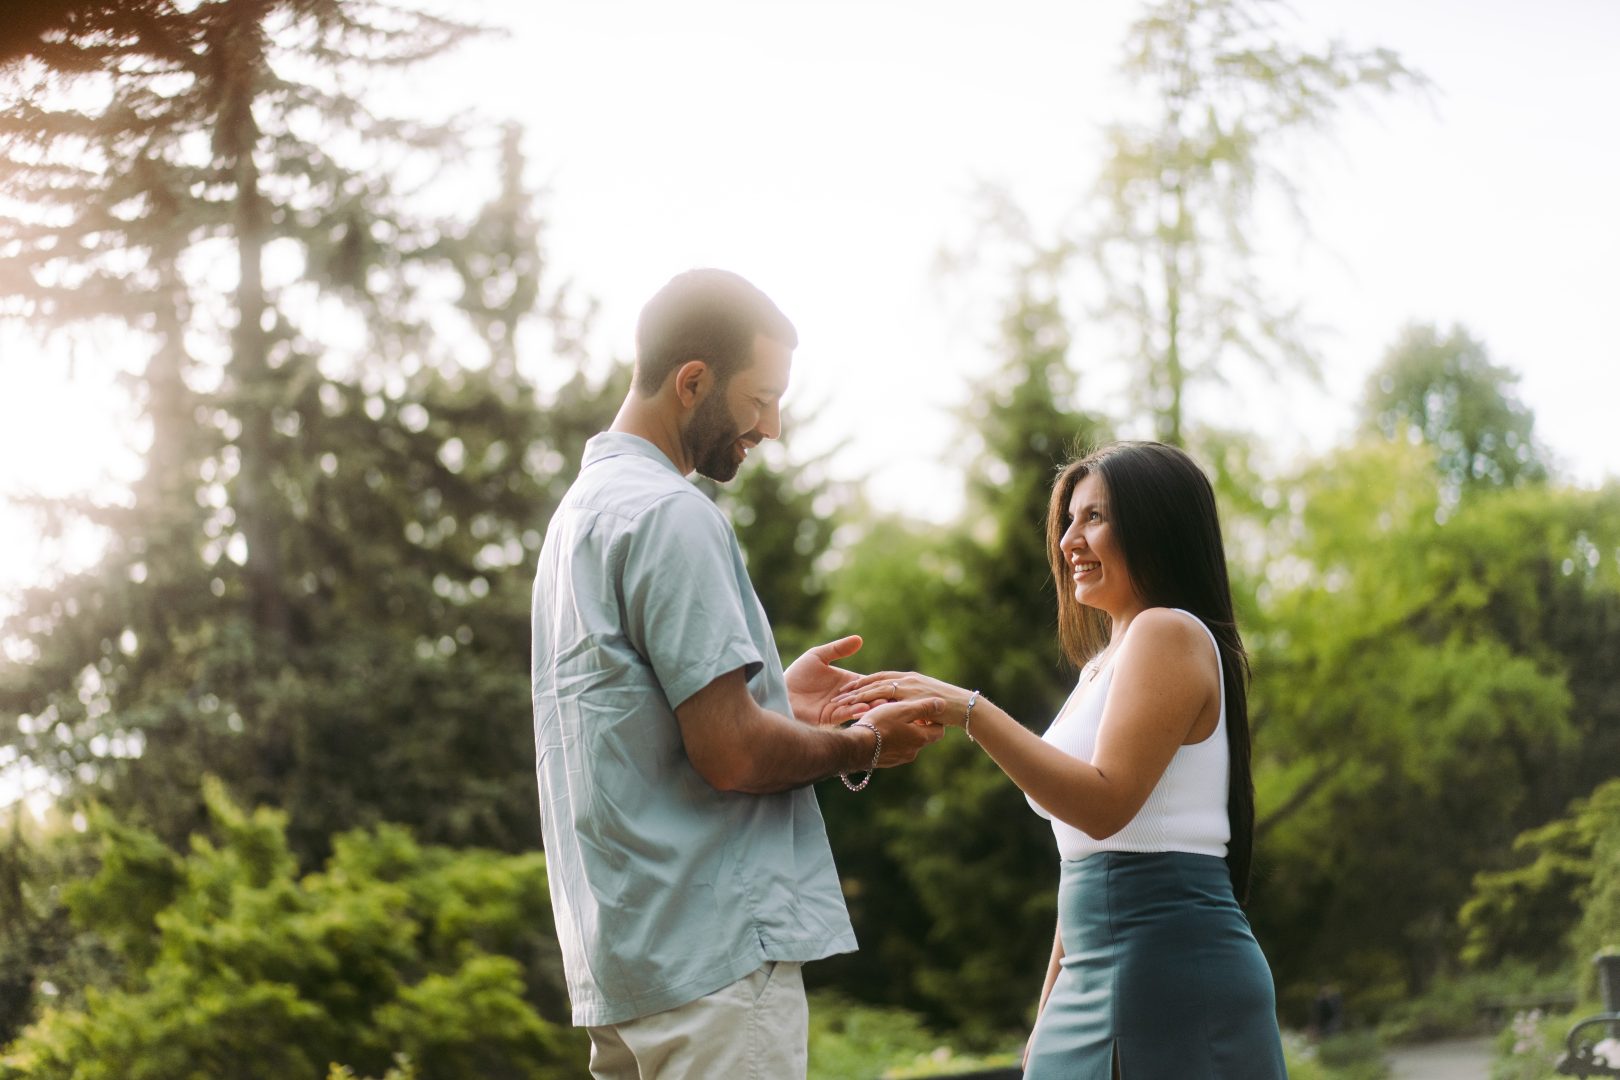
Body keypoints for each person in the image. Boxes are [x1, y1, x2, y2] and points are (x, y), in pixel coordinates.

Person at [530, 268, 943, 1080]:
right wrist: (863, 744)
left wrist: (774, 697)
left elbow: (641, 718)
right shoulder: (672, 515)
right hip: (714, 967)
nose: (772, 427)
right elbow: (733, 754)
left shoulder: (577, 518)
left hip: (627, 971)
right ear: (693, 382)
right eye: (761, 399)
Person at [835, 441, 1287, 1079]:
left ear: (1156, 525)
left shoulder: (1168, 631)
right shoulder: (1101, 666)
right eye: (1070, 520)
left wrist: (968, 709)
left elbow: (1104, 806)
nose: (1069, 540)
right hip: (1092, 969)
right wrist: (1049, 1005)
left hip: (1172, 971)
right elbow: (1083, 852)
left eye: (1094, 517)